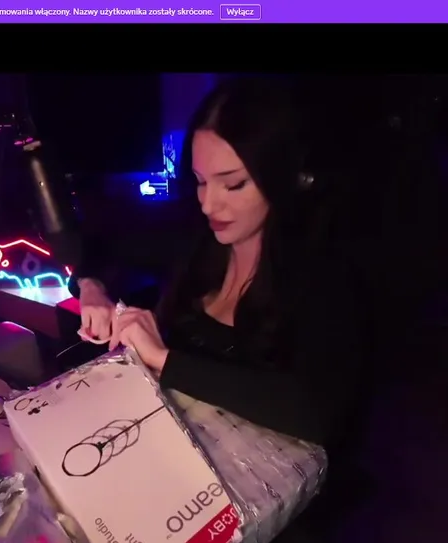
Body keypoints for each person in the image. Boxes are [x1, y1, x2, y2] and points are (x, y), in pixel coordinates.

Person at [72, 77, 365, 448]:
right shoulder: (192, 239)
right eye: (200, 181)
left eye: (233, 184)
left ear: (281, 178)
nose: (208, 204)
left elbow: (318, 413)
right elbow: (97, 248)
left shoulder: (324, 275)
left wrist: (164, 359)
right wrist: (91, 288)